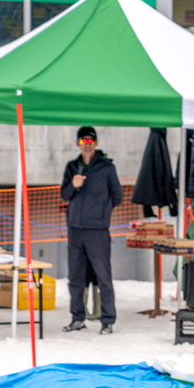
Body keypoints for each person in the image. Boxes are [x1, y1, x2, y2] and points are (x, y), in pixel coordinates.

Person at [60, 126, 123, 334]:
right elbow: (64, 195)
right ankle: (77, 317)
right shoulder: (72, 166)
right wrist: (73, 185)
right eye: (83, 142)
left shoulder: (106, 167)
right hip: (75, 229)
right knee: (75, 277)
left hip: (97, 230)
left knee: (103, 276)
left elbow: (117, 196)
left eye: (90, 142)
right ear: (78, 144)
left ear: (96, 143)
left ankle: (108, 320)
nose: (87, 146)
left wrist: (101, 213)